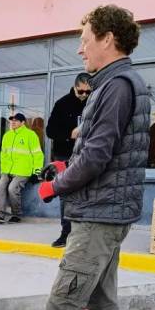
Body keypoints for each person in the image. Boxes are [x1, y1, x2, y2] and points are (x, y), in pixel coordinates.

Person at [38, 5, 151, 310]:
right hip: (109, 211)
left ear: (108, 39)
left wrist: (56, 184)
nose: (80, 49)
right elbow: (97, 152)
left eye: (85, 40)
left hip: (99, 216)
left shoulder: (115, 88)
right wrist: (66, 167)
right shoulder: (115, 84)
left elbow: (95, 158)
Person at [45, 73, 92, 247]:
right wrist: (69, 135)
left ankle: (85, 233)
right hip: (65, 155)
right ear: (75, 87)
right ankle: (66, 233)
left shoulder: (94, 103)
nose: (85, 95)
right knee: (66, 195)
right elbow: (50, 131)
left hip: (88, 154)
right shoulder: (62, 104)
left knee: (89, 193)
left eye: (88, 92)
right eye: (81, 91)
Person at [0, 113, 43, 224]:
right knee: (0, 188)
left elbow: (38, 155)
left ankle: (16, 214)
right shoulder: (7, 136)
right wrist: (3, 171)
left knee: (12, 189)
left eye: (16, 120)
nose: (12, 122)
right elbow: (3, 155)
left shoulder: (30, 135)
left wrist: (37, 172)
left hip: (23, 171)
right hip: (8, 170)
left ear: (23, 122)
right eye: (11, 120)